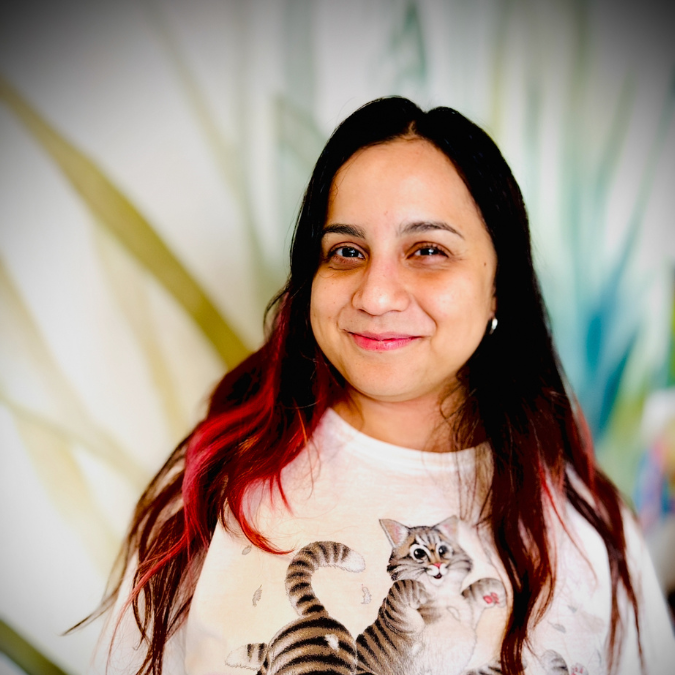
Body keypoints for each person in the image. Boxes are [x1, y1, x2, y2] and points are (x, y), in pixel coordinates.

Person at [91, 97, 675, 675]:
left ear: (499, 286)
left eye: (428, 251)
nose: (374, 295)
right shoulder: (215, 482)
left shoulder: (591, 526)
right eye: (346, 251)